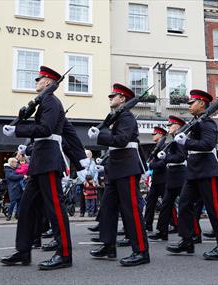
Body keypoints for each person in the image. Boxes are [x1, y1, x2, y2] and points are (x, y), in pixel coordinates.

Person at [0, 66, 89, 270]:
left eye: (39, 79)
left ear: (48, 82)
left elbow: (46, 129)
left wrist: (17, 130)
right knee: (26, 207)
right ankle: (23, 251)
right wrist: (80, 159)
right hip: (40, 160)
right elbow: (70, 133)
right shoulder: (45, 103)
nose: (36, 82)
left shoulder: (50, 101)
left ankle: (64, 254)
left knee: (55, 208)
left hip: (48, 160)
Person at [166, 89, 218, 260]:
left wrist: (186, 142)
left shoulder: (208, 123)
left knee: (214, 209)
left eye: (192, 103)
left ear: (202, 104)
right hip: (193, 171)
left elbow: (207, 144)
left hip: (207, 170)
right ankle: (187, 240)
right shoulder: (195, 122)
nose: (189, 105)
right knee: (185, 205)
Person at [88, 83, 150, 266]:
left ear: (122, 99)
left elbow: (121, 140)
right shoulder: (116, 117)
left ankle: (141, 251)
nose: (110, 98)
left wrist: (100, 136)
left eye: (113, 96)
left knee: (130, 210)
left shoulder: (127, 117)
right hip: (116, 167)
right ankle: (109, 245)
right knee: (107, 208)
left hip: (127, 167)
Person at [149, 117, 190, 241]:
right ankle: (162, 231)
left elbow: (181, 157)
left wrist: (166, 157)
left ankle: (191, 232)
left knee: (185, 206)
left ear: (178, 126)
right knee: (166, 205)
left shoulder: (180, 139)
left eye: (171, 125)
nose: (168, 127)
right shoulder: (173, 140)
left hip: (180, 175)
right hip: (172, 174)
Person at [144, 126, 168, 232]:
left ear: (161, 135)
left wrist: (151, 165)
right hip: (156, 179)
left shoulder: (164, 146)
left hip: (163, 179)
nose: (153, 136)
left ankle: (173, 223)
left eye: (155, 134)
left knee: (167, 203)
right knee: (150, 201)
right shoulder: (157, 146)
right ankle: (147, 224)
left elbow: (164, 162)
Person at [77, 149, 98, 217]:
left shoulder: (93, 162)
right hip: (83, 182)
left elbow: (96, 172)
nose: (88, 155)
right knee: (83, 197)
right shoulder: (81, 162)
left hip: (92, 181)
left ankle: (94, 211)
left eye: (89, 154)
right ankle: (82, 212)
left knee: (94, 197)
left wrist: (94, 180)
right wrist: (84, 181)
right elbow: (79, 172)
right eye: (86, 154)